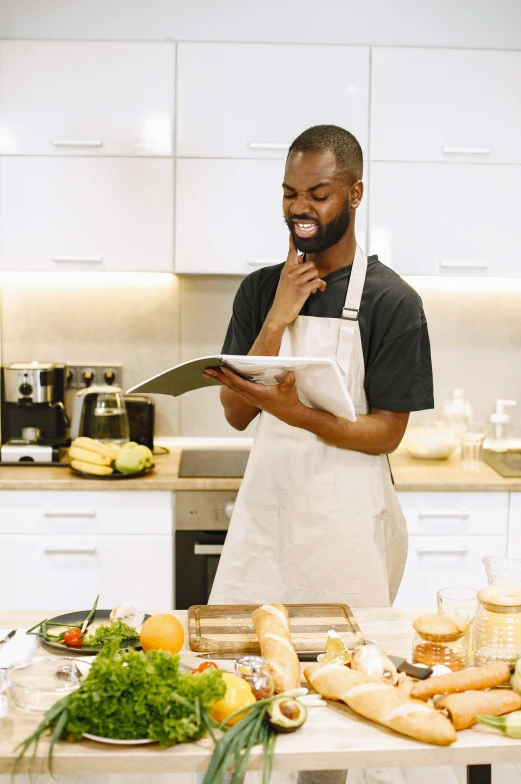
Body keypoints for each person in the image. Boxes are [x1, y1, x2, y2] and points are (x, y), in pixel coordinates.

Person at [204, 123, 434, 610]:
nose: (299, 208)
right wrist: (277, 316)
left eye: (318, 194)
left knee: (345, 668)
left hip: (345, 533)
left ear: (355, 193)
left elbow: (388, 434)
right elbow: (235, 413)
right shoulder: (260, 290)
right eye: (289, 194)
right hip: (268, 520)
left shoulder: (392, 301)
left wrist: (296, 414)